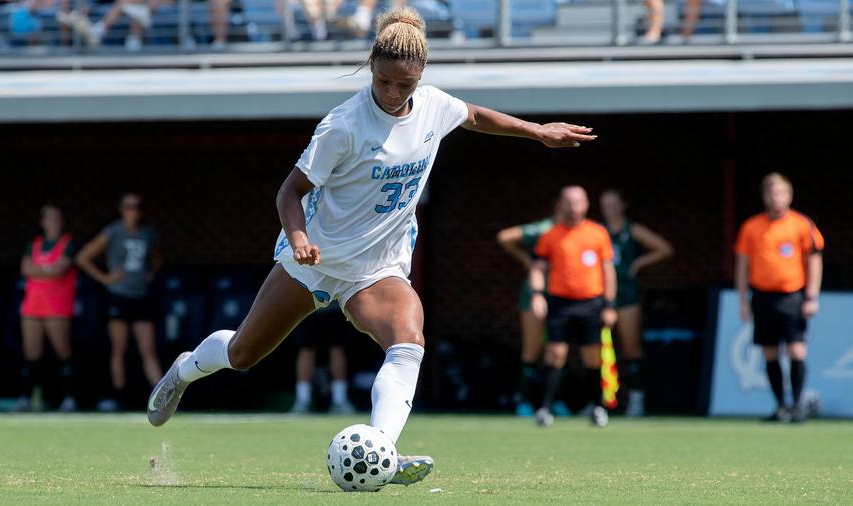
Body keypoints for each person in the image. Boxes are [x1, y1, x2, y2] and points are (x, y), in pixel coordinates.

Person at [146, 6, 595, 487]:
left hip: (377, 268)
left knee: (408, 343)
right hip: (316, 261)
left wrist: (536, 131)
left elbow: (475, 116)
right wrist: (297, 238)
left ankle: (382, 449)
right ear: (371, 68)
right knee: (242, 355)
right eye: (384, 82)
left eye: (405, 85)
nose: (393, 93)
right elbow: (288, 192)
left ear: (420, 77)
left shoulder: (433, 106)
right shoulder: (342, 126)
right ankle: (184, 370)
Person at [735, 173, 823, 424]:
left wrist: (811, 296)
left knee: (796, 348)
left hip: (792, 296)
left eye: (780, 193)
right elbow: (742, 264)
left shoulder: (801, 224)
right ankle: (780, 406)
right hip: (762, 296)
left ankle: (797, 406)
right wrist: (742, 299)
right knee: (769, 353)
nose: (776, 198)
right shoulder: (751, 227)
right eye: (771, 193)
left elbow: (815, 261)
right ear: (764, 196)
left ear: (789, 196)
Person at [529, 186, 617, 428]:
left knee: (592, 357)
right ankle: (544, 409)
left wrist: (609, 305)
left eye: (578, 202)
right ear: (561, 204)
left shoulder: (598, 233)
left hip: (591, 303)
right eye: (569, 202)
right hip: (559, 302)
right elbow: (538, 268)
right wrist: (537, 294)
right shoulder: (551, 235)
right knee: (556, 354)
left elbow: (608, 271)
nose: (574, 207)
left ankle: (597, 407)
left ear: (586, 204)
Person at [77, 193, 163, 411]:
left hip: (141, 296)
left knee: (148, 348)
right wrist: (105, 278)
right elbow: (83, 257)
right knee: (119, 348)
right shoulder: (113, 232)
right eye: (128, 206)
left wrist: (150, 272)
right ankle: (120, 397)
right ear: (121, 209)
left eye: (137, 206)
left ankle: (163, 397)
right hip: (119, 296)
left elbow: (156, 257)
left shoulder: (147, 233)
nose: (133, 211)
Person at [599, 189, 672, 417]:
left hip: (627, 295)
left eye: (613, 204)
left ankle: (636, 399)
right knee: (596, 350)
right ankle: (599, 400)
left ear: (623, 205)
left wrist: (640, 262)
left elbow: (664, 248)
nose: (609, 209)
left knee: (631, 348)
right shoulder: (597, 231)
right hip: (600, 297)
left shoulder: (632, 230)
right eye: (604, 204)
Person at [14, 205, 78, 413]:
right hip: (32, 305)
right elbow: (25, 268)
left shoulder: (68, 244)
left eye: (57, 218)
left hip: (57, 307)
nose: (53, 222)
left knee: (63, 352)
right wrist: (47, 269)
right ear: (42, 222)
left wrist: (39, 270)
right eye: (49, 218)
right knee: (31, 354)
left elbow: (60, 269)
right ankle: (28, 397)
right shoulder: (34, 244)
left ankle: (69, 397)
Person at [497, 213, 554, 417]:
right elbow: (505, 237)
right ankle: (524, 400)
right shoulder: (545, 227)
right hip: (535, 294)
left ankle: (551, 402)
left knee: (556, 350)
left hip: (563, 295)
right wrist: (526, 260)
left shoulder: (580, 231)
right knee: (532, 349)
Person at [289, 302, 356, 414]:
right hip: (307, 305)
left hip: (335, 306)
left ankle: (340, 400)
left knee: (337, 348)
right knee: (306, 349)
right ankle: (303, 400)